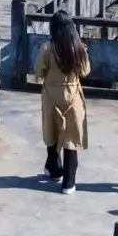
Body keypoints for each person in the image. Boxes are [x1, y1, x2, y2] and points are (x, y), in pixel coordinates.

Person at [34, 11, 90, 194]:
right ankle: (69, 183)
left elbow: (39, 72)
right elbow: (85, 72)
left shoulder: (47, 48)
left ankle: (54, 169)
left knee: (51, 132)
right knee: (71, 140)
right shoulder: (79, 48)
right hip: (73, 95)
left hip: (51, 94)